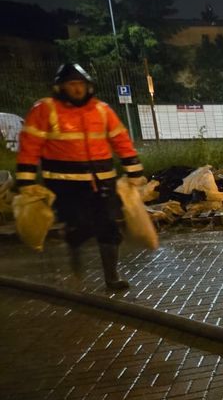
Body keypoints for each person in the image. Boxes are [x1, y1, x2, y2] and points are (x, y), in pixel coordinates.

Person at [15, 63, 145, 290]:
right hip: (65, 185)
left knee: (109, 227)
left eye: (81, 84)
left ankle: (111, 278)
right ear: (60, 87)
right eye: (72, 84)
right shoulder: (45, 110)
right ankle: (77, 271)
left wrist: (134, 171)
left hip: (102, 181)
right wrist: (26, 181)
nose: (77, 89)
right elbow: (30, 146)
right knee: (79, 226)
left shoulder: (102, 110)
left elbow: (121, 140)